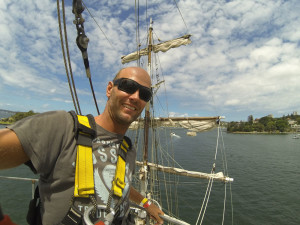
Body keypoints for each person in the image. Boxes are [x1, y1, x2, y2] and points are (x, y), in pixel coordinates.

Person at [0, 67, 164, 225]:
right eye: (128, 86)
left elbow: (119, 184)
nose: (135, 96)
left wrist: (146, 204)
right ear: (109, 89)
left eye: (145, 94)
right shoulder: (63, 127)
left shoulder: (128, 149)